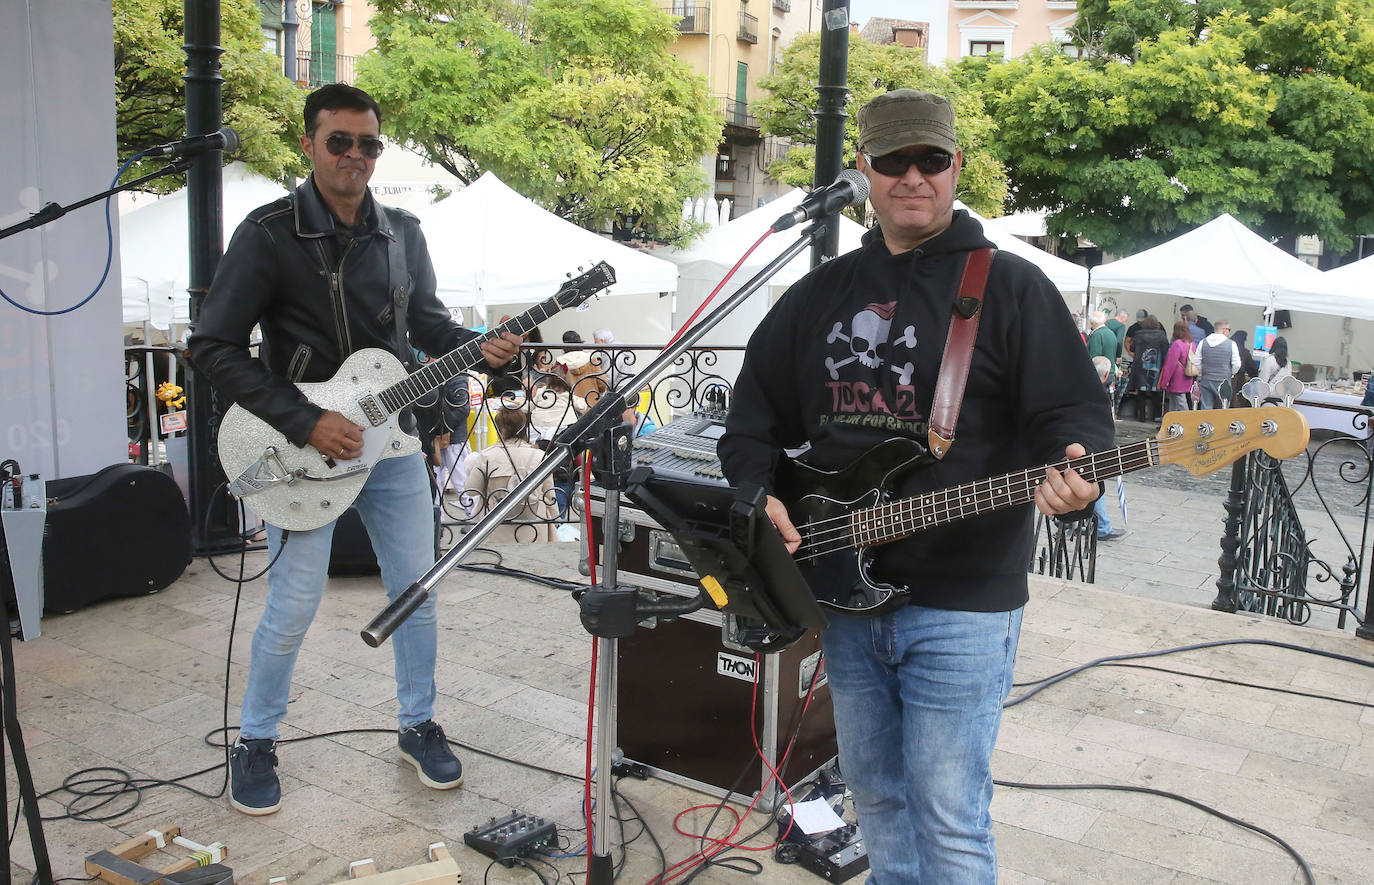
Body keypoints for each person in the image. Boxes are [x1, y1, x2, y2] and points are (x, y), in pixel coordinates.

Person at [717, 88, 1114, 883]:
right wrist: (756, 488)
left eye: (930, 159)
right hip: (843, 592)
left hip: (963, 601)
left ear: (955, 166)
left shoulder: (1010, 286)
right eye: (892, 161)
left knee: (950, 812)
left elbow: (1073, 412)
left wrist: (1082, 471)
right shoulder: (822, 292)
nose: (912, 176)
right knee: (879, 798)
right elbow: (752, 411)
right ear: (864, 170)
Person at [189, 84, 523, 816]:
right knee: (294, 601)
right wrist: (303, 417)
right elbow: (212, 345)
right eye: (340, 141)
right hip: (303, 442)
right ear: (309, 145)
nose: (355, 157)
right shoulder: (269, 233)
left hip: (395, 445)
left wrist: (482, 351)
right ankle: (255, 738)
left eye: (368, 144)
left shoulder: (403, 233)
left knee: (416, 591)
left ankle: (417, 723)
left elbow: (429, 327)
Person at [465, 406, 559, 543]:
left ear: (500, 429)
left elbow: (471, 490)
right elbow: (549, 495)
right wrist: (554, 519)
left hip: (495, 525)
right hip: (534, 524)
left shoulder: (487, 456)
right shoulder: (539, 456)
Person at [1124, 315, 1169, 421]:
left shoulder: (1138, 335)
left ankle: (1141, 416)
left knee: (1141, 393)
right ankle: (1156, 416)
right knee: (1156, 393)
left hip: (1141, 367)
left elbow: (1132, 348)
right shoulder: (1162, 335)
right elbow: (1166, 350)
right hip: (1156, 367)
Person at [1197, 319, 1241, 408]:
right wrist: (1230, 373)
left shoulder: (1203, 342)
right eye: (1229, 330)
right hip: (1224, 381)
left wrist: (1203, 372)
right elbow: (1237, 364)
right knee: (1222, 409)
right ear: (1225, 330)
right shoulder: (1231, 344)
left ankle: (1205, 422)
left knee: (1205, 408)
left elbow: (1197, 361)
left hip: (1206, 380)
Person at [1157, 320, 1196, 414]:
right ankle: (1170, 422)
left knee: (1180, 400)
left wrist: (1164, 381)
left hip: (1177, 377)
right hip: (1188, 375)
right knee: (1175, 400)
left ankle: (1187, 420)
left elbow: (1170, 364)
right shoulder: (1192, 344)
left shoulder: (1177, 344)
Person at [1086, 311, 1119, 380]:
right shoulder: (1111, 333)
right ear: (1104, 320)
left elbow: (1095, 357)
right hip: (1110, 372)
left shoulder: (1097, 335)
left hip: (1100, 375)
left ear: (1092, 322)